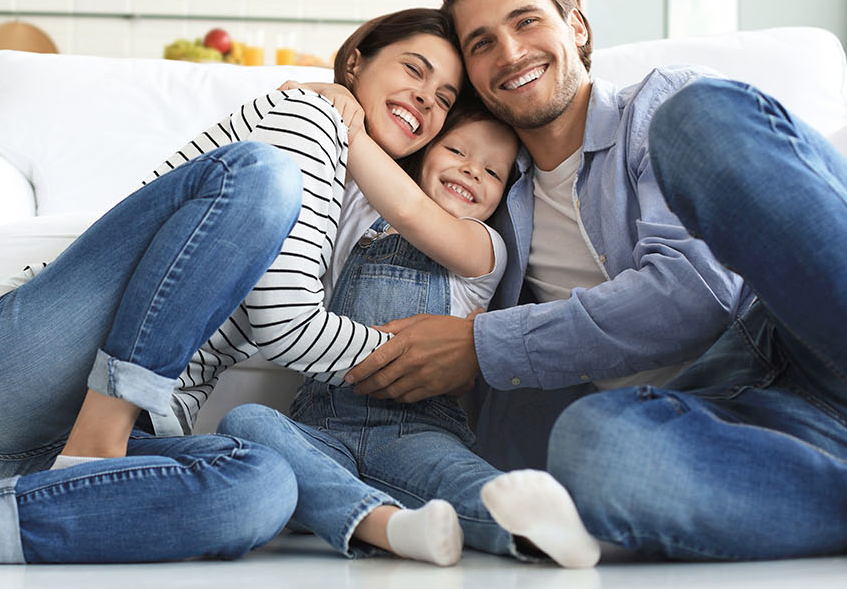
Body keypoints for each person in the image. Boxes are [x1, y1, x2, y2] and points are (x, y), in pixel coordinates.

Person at [341, 0, 847, 588]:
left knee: (701, 122)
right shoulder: (490, 199)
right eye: (481, 44)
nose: (508, 53)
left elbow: (699, 293)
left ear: (575, 28)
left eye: (526, 22)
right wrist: (332, 105)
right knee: (593, 446)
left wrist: (485, 345)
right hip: (753, 438)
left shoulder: (660, 108)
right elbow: (385, 170)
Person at [0, 8, 471, 566]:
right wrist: (427, 357)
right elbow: (287, 325)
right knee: (261, 175)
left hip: (72, 439)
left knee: (261, 490)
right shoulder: (309, 117)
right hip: (26, 364)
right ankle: (96, 442)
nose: (424, 100)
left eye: (444, 99)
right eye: (413, 69)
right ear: (355, 62)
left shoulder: (365, 205)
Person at [219, 103, 601, 568]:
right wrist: (332, 98)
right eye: (456, 150)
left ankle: (540, 528)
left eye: (492, 172)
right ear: (423, 153)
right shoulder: (360, 215)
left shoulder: (485, 247)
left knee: (467, 481)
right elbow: (353, 167)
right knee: (247, 424)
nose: (469, 169)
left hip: (416, 431)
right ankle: (391, 525)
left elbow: (414, 212)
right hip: (320, 430)